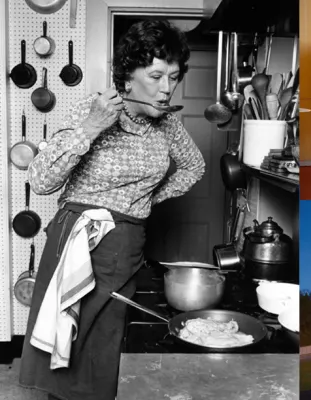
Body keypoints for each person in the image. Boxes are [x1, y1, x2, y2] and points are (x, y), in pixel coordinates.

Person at [19, 20, 205, 400]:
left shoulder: (168, 123)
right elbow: (40, 180)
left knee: (104, 347)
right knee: (65, 343)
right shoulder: (90, 111)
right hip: (74, 242)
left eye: (173, 76)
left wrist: (146, 201)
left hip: (125, 246)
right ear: (128, 76)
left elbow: (194, 167)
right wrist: (90, 128)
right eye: (156, 75)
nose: (167, 88)